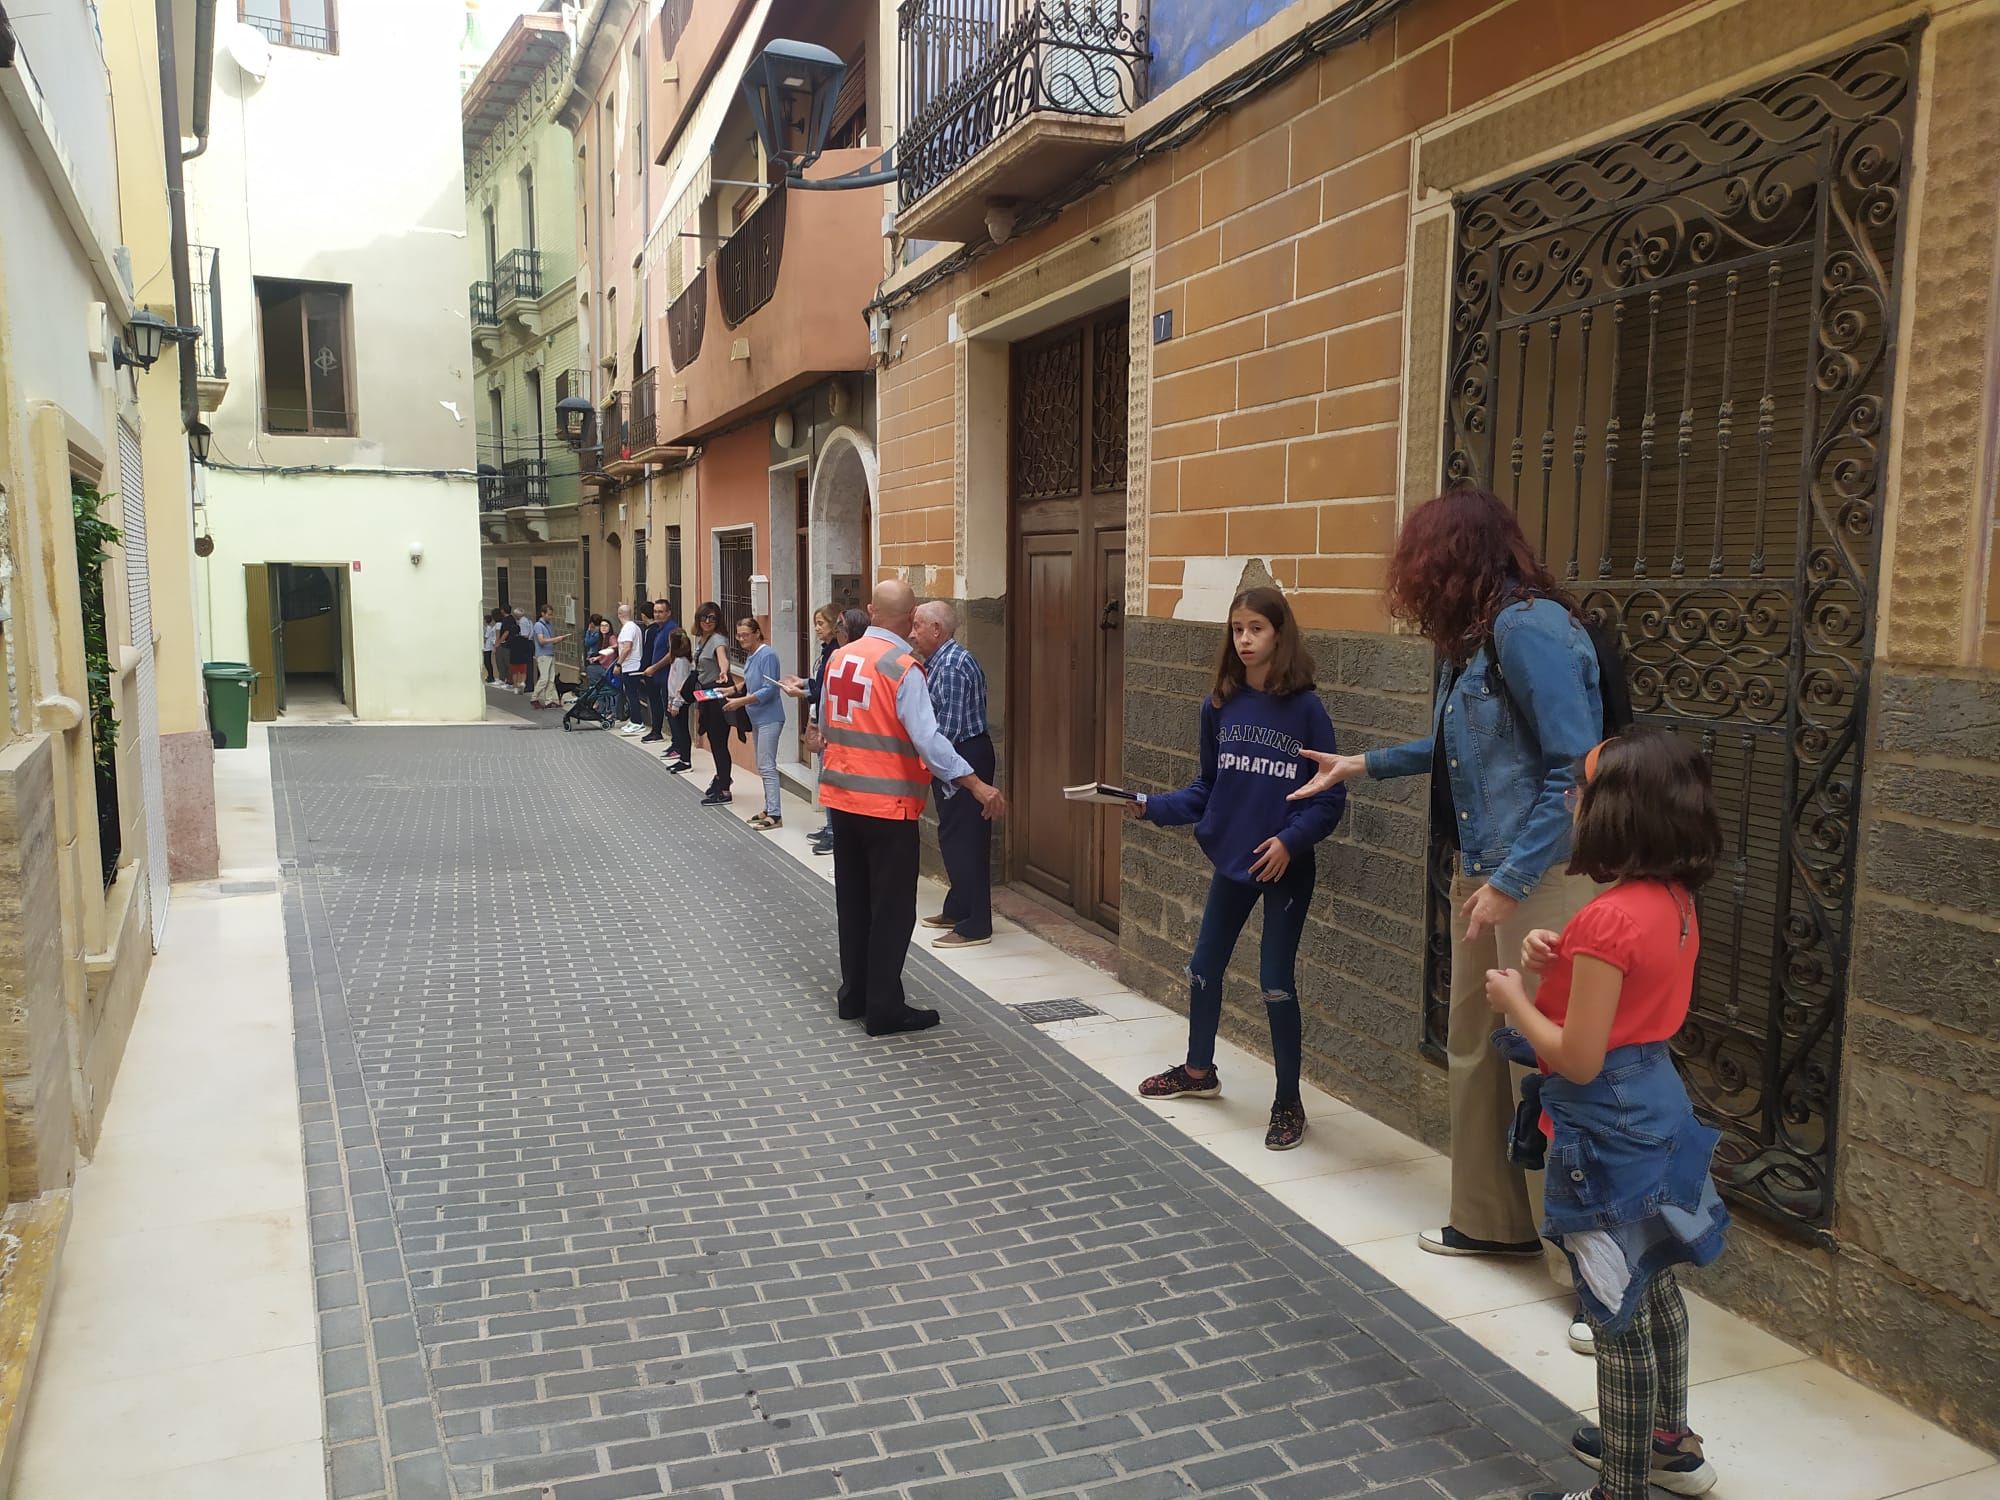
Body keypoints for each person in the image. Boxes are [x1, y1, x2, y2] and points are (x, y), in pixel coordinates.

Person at [1289, 485, 1603, 1348]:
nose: (1410, 579)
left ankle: (1595, 1275)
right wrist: (1363, 763)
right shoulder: (1478, 641)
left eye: (1418, 559)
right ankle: (1491, 1221)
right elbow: (1465, 747)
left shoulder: (1527, 629)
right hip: (1494, 871)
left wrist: (1508, 878)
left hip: (1539, 873)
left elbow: (1573, 770)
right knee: (1475, 1046)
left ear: (1451, 558)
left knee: (1553, 1068)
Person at [1488, 731, 1727, 1500]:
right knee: (1656, 1283)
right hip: (1656, 1103)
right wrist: (1556, 967)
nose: (1572, 801)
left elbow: (1579, 1056)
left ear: (1618, 812)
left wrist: (1514, 998)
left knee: (1613, 1310)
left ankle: (1617, 1489)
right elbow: (1625, 1007)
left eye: (1581, 791)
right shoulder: (1673, 902)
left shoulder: (1607, 918)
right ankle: (1668, 1441)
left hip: (1603, 1128)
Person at [1126, 586, 1346, 1150]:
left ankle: (1288, 1103)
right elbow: (1207, 790)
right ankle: (1199, 1072)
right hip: (1234, 862)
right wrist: (1149, 806)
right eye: (1237, 629)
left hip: (1285, 866)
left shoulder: (1306, 709)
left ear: (1280, 635)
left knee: (1275, 982)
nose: (1245, 639)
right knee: (1203, 968)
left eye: (1257, 629)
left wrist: (1290, 843)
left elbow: (1328, 798)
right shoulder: (1218, 706)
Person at [813, 581, 1005, 1036]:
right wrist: (976, 784)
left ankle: (853, 996)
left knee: (854, 902)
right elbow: (930, 740)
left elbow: (823, 724)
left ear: (873, 611)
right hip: (888, 805)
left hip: (842, 800)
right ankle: (884, 1008)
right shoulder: (902, 668)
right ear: (912, 614)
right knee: (893, 909)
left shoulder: (840, 656)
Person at [910, 600, 997, 950]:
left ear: (937, 629)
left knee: (965, 841)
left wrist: (928, 756)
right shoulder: (939, 661)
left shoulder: (954, 665)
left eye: (918, 626)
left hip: (963, 755)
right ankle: (958, 907)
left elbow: (950, 730)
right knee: (953, 836)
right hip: (953, 756)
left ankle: (976, 924)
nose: (912, 633)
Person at [781, 605, 843, 854]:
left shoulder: (836, 652)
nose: (817, 628)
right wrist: (804, 682)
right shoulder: (826, 651)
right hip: (819, 717)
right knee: (822, 776)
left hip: (827, 720)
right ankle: (829, 826)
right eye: (815, 623)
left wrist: (802, 693)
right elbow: (819, 683)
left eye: (822, 623)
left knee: (827, 778)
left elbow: (824, 691)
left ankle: (833, 831)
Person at [726, 617, 786, 829]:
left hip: (770, 717)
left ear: (757, 633)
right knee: (762, 765)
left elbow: (769, 688)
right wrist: (733, 690)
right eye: (739, 635)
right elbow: (750, 680)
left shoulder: (767, 654)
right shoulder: (752, 655)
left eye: (745, 635)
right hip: (757, 717)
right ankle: (769, 807)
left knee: (767, 766)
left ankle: (775, 814)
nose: (741, 639)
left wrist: (741, 701)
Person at [691, 603, 736, 804]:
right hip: (705, 695)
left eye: (712, 618)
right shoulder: (702, 639)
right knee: (714, 740)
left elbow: (722, 657)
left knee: (719, 743)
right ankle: (722, 777)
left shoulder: (717, 639)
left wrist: (724, 671)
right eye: (704, 618)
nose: (708, 622)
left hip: (717, 694)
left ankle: (725, 789)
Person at [636, 598, 676, 742]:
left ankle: (677, 744)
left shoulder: (672, 629)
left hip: (668, 676)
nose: (657, 615)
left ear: (668, 613)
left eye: (661, 612)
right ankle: (662, 735)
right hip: (657, 676)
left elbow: (672, 653)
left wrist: (654, 667)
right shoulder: (659, 629)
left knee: (670, 710)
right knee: (662, 707)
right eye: (655, 612)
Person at [662, 629, 694, 772]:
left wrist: (676, 703)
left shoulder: (682, 662)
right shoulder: (677, 660)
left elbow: (681, 684)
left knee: (682, 730)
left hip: (680, 702)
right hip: (674, 700)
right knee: (679, 729)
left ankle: (686, 760)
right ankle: (682, 758)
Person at [613, 603, 646, 734]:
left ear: (619, 614)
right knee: (631, 694)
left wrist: (618, 664)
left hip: (630, 666)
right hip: (632, 665)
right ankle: (634, 720)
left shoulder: (628, 628)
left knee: (632, 694)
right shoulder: (635, 627)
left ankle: (637, 721)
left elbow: (627, 647)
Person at [530, 605, 568, 708]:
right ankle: (534, 697)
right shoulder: (538, 625)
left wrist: (558, 640)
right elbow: (541, 641)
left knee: (551, 679)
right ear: (543, 613)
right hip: (542, 655)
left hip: (550, 653)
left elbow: (549, 641)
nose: (551, 617)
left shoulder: (549, 625)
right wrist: (555, 638)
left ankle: (549, 700)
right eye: (549, 614)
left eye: (552, 614)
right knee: (544, 678)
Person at [482, 610, 500, 684]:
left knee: (487, 662)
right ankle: (490, 676)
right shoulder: (488, 627)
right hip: (487, 647)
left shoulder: (488, 628)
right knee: (487, 662)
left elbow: (486, 637)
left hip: (488, 647)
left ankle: (491, 676)